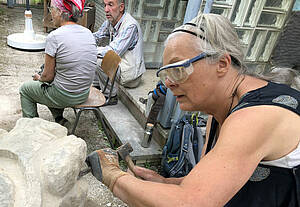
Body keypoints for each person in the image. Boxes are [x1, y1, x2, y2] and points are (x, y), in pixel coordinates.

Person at [91, 13, 300, 206]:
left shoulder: (257, 117)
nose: (170, 83)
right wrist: (167, 183)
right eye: (165, 74)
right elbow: (212, 181)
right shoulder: (219, 112)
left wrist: (112, 176)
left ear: (222, 64)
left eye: (178, 69)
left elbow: (193, 202)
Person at [19, 0, 97, 126]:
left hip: (65, 95)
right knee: (57, 81)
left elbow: (48, 76)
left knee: (26, 89)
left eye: (52, 10)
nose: (51, 14)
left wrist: (40, 78)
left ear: (60, 12)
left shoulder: (55, 36)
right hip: (83, 93)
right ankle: (59, 118)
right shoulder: (88, 33)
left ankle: (30, 128)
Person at [92, 0, 146, 105]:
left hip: (130, 75)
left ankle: (110, 96)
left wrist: (88, 50)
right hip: (119, 66)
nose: (106, 9)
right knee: (90, 57)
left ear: (121, 7)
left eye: (110, 5)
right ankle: (98, 86)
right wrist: (81, 41)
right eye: (105, 5)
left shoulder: (130, 26)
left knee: (100, 60)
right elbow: (97, 36)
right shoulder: (110, 21)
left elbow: (113, 51)